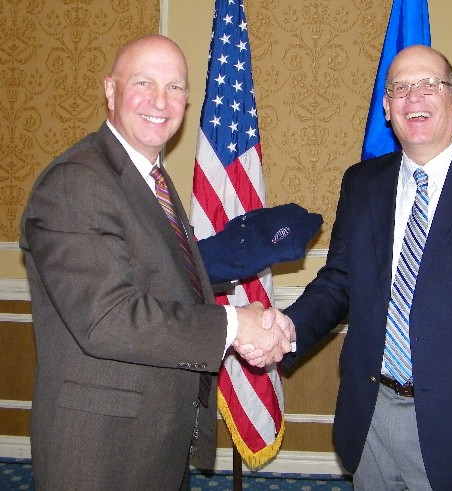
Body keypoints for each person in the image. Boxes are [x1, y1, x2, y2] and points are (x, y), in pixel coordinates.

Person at [273, 45, 452, 490]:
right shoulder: (362, 183)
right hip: (370, 416)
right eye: (401, 88)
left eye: (430, 85)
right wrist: (287, 327)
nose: (414, 97)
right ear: (387, 108)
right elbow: (341, 281)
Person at [19, 34, 290, 490]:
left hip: (152, 440)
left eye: (176, 87)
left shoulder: (152, 179)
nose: (160, 101)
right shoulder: (76, 182)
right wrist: (235, 327)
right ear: (110, 90)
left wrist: (253, 315)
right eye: (143, 82)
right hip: (99, 453)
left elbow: (162, 280)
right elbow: (107, 318)